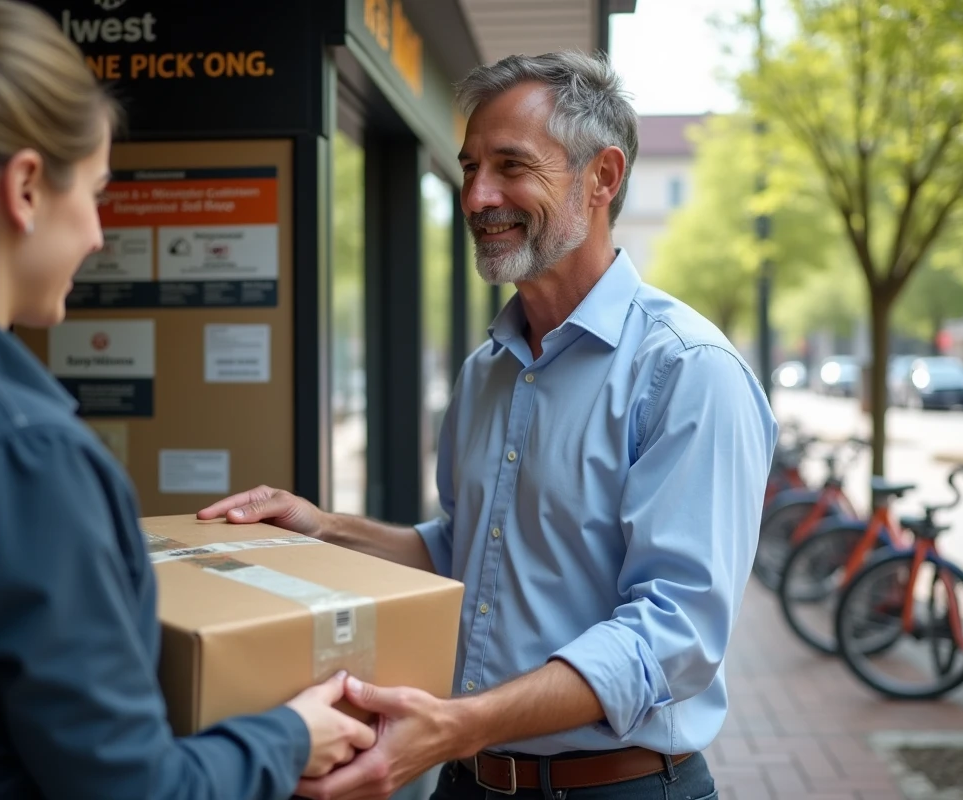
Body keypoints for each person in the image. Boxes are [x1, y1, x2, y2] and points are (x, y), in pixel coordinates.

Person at [199, 50, 778, 800]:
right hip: (468, 780)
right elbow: (466, 551)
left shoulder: (687, 370)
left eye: (511, 165)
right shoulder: (487, 370)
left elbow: (674, 639)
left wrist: (459, 724)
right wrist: (323, 529)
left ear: (602, 177)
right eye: (469, 166)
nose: (477, 195)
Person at [0, 2, 374, 798]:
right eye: (95, 192)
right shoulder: (24, 455)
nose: (99, 234)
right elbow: (132, 786)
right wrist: (288, 737)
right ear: (25, 187)